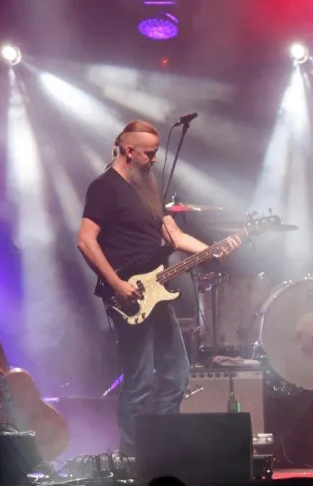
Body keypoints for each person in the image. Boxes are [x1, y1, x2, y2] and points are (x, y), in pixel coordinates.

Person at [77, 119, 240, 456]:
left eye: (156, 153)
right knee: (139, 380)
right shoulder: (105, 188)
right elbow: (86, 240)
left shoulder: (149, 188)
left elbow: (175, 236)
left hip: (157, 294)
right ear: (128, 151)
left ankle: (162, 450)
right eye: (149, 153)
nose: (154, 159)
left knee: (177, 375)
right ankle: (131, 457)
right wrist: (117, 284)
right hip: (128, 296)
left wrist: (215, 250)